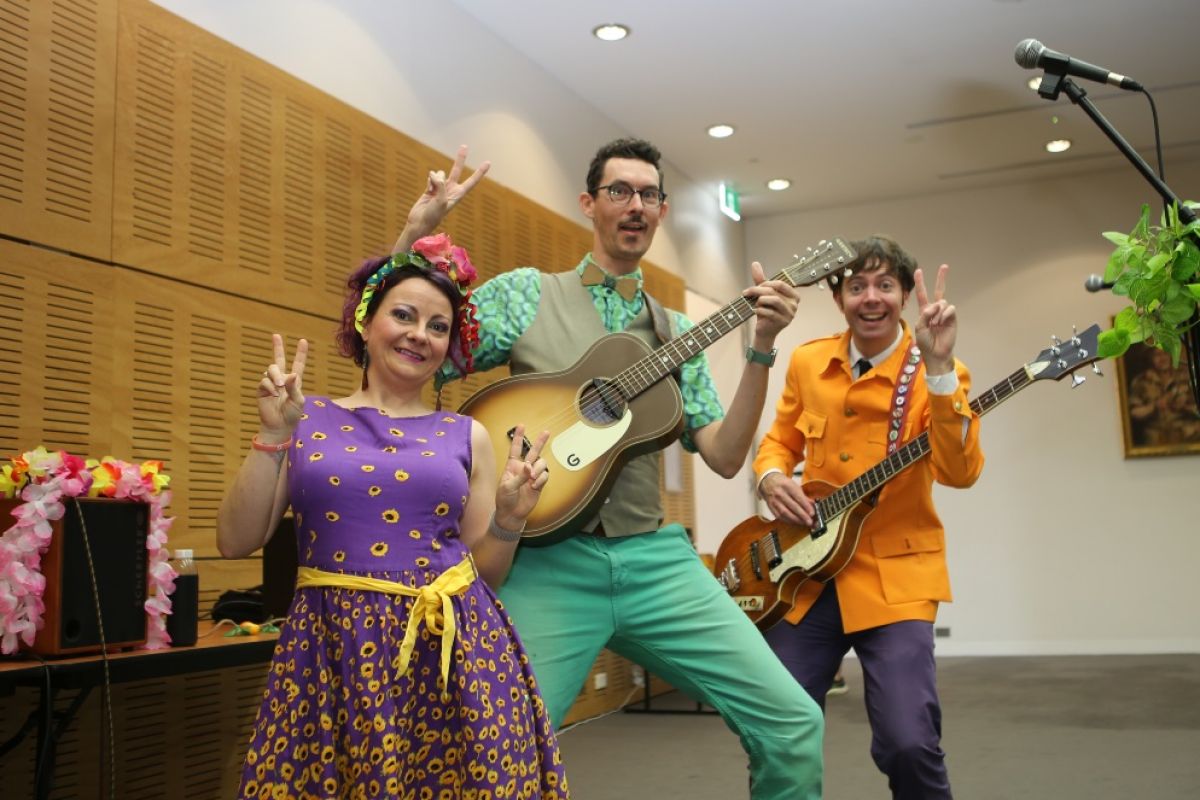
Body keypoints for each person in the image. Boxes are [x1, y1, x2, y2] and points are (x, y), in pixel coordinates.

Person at [405, 138, 824, 799]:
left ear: (661, 212)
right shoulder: (525, 295)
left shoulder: (676, 330)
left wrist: (762, 348)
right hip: (546, 562)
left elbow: (722, 456)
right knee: (491, 744)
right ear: (589, 203)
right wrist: (415, 237)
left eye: (649, 195)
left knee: (794, 720)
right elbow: (417, 348)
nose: (636, 205)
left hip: (657, 562)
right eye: (619, 191)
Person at [217, 155, 569, 799]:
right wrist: (271, 433)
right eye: (403, 315)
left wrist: (512, 518)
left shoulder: (469, 435)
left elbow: (487, 571)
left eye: (439, 326)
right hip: (331, 653)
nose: (420, 335)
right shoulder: (306, 416)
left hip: (457, 652)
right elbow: (235, 541)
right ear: (367, 322)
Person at [754, 234, 984, 799]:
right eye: (856, 286)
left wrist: (937, 369)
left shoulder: (942, 372)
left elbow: (960, 471)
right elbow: (777, 443)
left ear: (905, 295)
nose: (871, 298)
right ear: (838, 297)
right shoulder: (809, 362)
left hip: (897, 578)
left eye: (885, 285)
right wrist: (772, 478)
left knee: (909, 742)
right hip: (808, 575)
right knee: (775, 730)